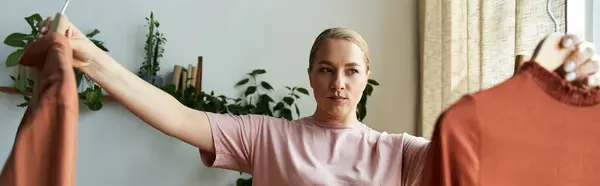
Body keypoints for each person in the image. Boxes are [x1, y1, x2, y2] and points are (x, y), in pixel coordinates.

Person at [37, 17, 599, 185]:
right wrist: (89, 56)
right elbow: (177, 116)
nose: (339, 82)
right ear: (310, 76)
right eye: (327, 70)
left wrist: (538, 85)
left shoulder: (399, 153)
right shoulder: (269, 137)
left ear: (366, 79)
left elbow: (481, 158)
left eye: (351, 72)